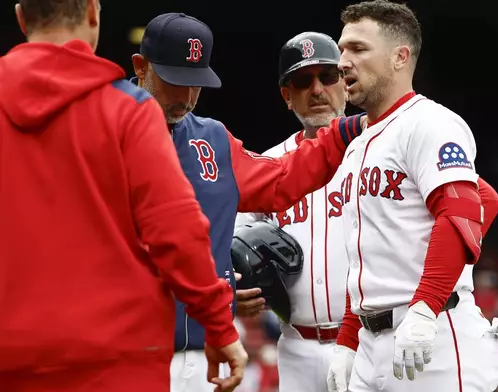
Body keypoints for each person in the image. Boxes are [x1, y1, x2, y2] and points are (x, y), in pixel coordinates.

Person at [0, 1, 246, 392]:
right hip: (114, 361)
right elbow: (177, 233)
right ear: (94, 14)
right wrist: (218, 325)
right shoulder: (129, 111)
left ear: (20, 17)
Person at [129, 13, 365, 392]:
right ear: (141, 68)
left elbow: (279, 180)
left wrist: (343, 133)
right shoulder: (101, 126)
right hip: (128, 350)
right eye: (176, 81)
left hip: (205, 349)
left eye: (196, 84)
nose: (187, 97)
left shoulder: (211, 140)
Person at [325, 1, 498, 392]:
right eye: (342, 48)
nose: (343, 61)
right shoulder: (357, 145)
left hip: (434, 337)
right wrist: (347, 338)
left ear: (400, 57)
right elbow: (366, 256)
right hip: (370, 339)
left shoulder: (430, 122)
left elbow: (461, 214)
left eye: (358, 49)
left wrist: (426, 305)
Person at [234, 32, 350, 392]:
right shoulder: (267, 165)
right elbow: (232, 245)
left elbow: (479, 201)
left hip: (367, 342)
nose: (317, 90)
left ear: (346, 84)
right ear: (287, 96)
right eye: (302, 81)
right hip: (296, 346)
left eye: (328, 77)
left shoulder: (381, 149)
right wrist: (231, 287)